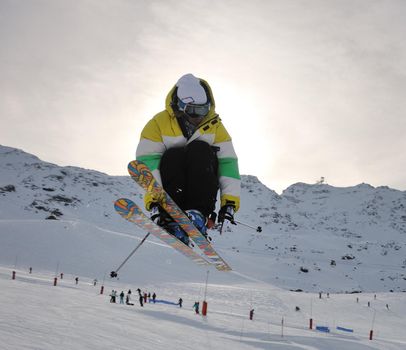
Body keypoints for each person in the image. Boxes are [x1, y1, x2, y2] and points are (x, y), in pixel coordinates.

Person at [136, 73, 240, 245]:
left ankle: (196, 215)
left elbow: (228, 163)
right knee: (173, 154)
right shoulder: (157, 124)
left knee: (201, 150)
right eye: (194, 111)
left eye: (203, 110)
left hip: (202, 185)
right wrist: (154, 200)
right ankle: (172, 217)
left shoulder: (215, 126)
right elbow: (148, 162)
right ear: (181, 106)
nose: (199, 116)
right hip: (171, 187)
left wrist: (229, 202)